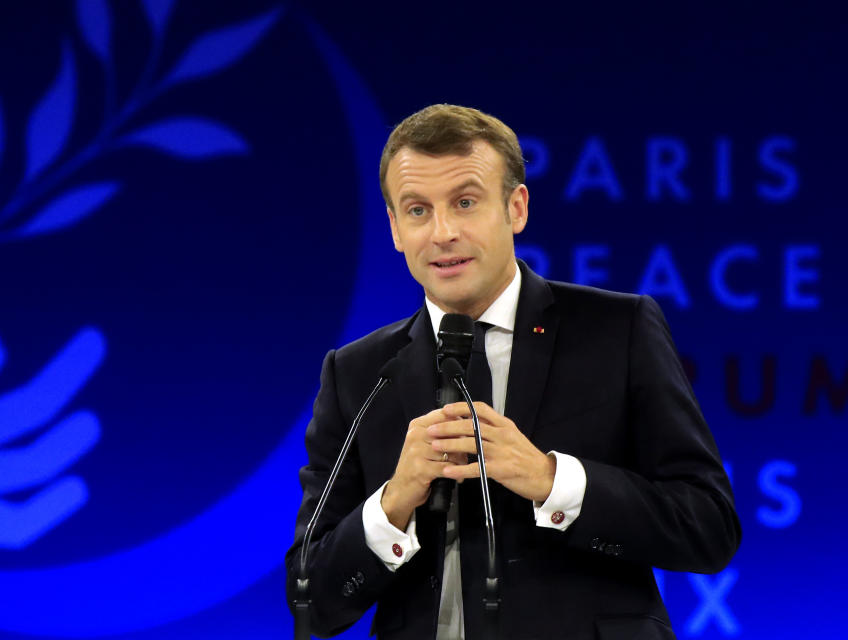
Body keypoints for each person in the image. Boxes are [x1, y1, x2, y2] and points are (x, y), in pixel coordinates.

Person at [286, 104, 740, 639]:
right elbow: (310, 601)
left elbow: (708, 526)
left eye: (465, 202)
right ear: (394, 229)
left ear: (516, 208)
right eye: (416, 210)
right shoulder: (359, 374)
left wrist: (553, 481)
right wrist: (393, 502)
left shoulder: (617, 331)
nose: (443, 232)